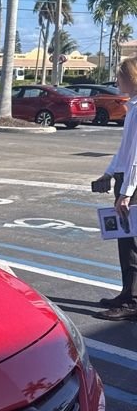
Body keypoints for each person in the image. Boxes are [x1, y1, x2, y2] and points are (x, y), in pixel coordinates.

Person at [92, 56, 137, 319]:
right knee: (124, 240)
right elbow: (123, 152)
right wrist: (108, 173)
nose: (117, 80)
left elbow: (135, 156)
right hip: (125, 180)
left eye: (120, 75)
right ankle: (126, 293)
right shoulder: (132, 107)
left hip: (132, 184)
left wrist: (126, 193)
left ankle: (131, 302)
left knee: (130, 242)